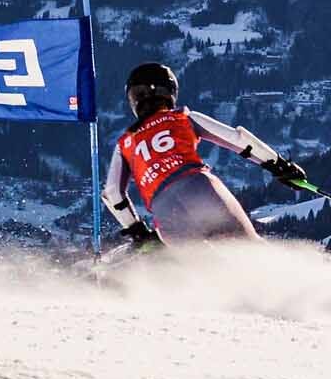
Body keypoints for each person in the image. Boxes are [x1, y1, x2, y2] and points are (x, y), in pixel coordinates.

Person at [102, 62, 308, 247]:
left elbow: (112, 193)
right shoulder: (182, 117)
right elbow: (238, 139)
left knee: (204, 268)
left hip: (163, 210)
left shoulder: (125, 144)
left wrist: (137, 231)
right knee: (246, 247)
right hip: (199, 187)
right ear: (168, 91)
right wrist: (279, 165)